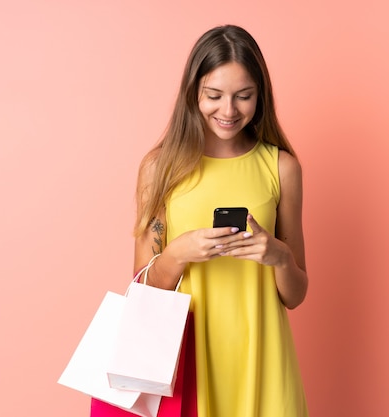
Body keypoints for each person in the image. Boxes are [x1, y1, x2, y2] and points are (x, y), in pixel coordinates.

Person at [135, 24, 309, 417]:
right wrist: (179, 253)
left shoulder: (281, 168)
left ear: (259, 96)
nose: (228, 111)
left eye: (243, 96)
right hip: (187, 362)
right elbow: (141, 289)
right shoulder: (160, 168)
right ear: (193, 93)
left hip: (264, 361)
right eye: (214, 96)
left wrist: (278, 256)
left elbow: (296, 295)